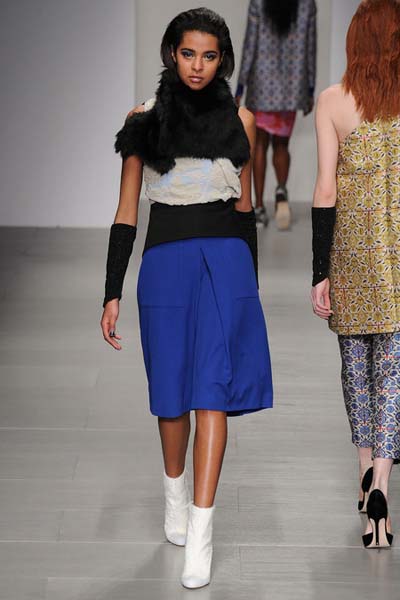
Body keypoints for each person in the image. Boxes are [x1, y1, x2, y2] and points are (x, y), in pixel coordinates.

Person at [100, 8, 273, 588]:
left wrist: (249, 291)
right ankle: (174, 492)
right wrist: (111, 291)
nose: (198, 65)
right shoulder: (143, 121)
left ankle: (202, 532)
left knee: (211, 393)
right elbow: (127, 210)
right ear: (171, 54)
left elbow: (245, 209)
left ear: (223, 60)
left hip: (225, 263)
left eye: (210, 55)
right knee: (170, 395)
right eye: (188, 53)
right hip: (165, 265)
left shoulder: (242, 121)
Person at [311, 0, 400, 549]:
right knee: (393, 370)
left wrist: (318, 270)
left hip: (352, 251)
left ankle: (365, 471)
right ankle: (384, 485)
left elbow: (326, 189)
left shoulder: (332, 101)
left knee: (356, 368)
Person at [236, 0, 316, 230]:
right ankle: (281, 190)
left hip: (261, 85)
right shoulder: (306, 4)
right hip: (292, 86)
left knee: (259, 145)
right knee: (282, 145)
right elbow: (310, 48)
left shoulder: (259, 3)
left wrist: (240, 86)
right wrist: (309, 88)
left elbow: (250, 44)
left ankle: (259, 208)